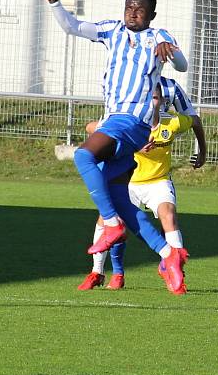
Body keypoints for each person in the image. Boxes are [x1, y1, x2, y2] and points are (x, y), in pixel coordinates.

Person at [30, 0, 189, 293]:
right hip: (120, 122)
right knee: (122, 201)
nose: (133, 12)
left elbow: (183, 66)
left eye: (140, 9)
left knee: (83, 155)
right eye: (130, 7)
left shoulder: (158, 35)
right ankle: (168, 255)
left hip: (132, 119)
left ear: (151, 15)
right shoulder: (111, 31)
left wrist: (168, 48)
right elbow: (72, 26)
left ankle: (111, 224)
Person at [78, 77, 207, 291]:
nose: (151, 102)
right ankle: (99, 272)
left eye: (155, 98)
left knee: (168, 214)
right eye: (147, 98)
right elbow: (92, 128)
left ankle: (175, 269)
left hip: (157, 181)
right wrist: (134, 145)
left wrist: (202, 152)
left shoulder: (170, 122)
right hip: (128, 180)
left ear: (162, 100)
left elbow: (194, 120)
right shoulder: (128, 122)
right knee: (108, 220)